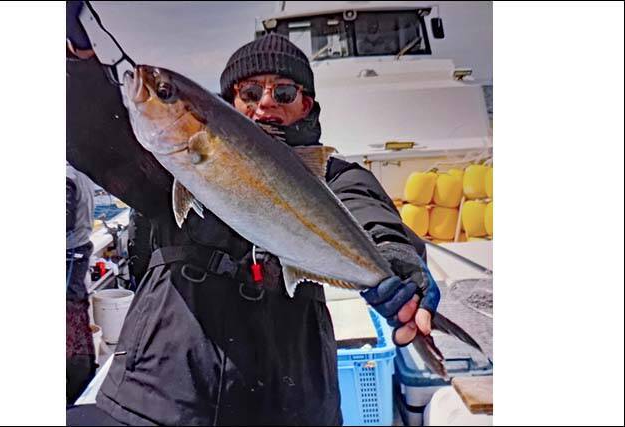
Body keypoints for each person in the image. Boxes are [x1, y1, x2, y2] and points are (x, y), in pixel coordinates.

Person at [66, 5, 439, 424]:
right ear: (228, 103)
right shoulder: (168, 168)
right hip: (163, 394)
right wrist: (76, 57)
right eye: (249, 93)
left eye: (284, 93)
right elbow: (94, 136)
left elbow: (369, 213)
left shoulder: (331, 176)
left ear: (306, 105)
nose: (265, 104)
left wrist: (395, 261)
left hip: (288, 401)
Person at [66, 162, 97, 404]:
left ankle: (77, 386)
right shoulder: (81, 171)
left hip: (69, 256)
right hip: (79, 251)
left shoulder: (66, 177)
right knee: (77, 316)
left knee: (72, 321)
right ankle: (84, 376)